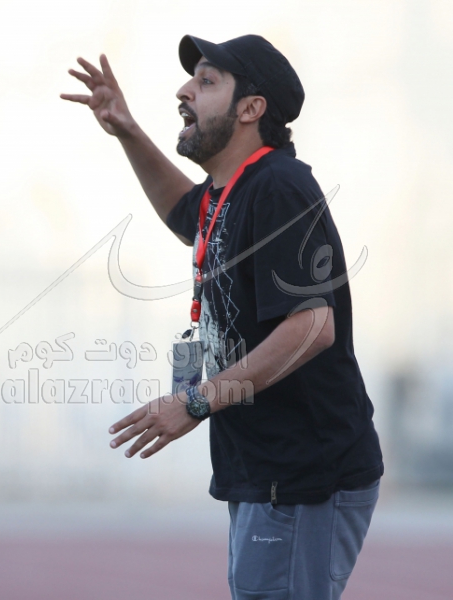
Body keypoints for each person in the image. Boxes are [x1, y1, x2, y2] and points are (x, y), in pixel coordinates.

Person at [61, 34, 383, 600]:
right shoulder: (229, 193)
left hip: (303, 475)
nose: (184, 91)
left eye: (207, 81)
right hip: (268, 471)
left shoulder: (279, 187)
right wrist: (127, 130)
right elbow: (182, 211)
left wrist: (195, 402)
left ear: (251, 108)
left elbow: (312, 327)